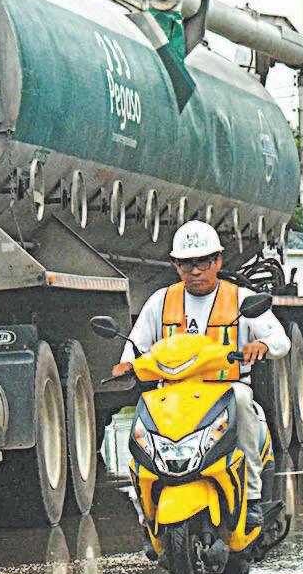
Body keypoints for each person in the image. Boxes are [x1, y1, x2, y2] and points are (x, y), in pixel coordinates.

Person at [113, 220, 289, 537]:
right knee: (141, 421)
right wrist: (126, 365)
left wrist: (261, 345)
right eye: (186, 263)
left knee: (244, 399)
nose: (195, 271)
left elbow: (280, 340)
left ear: (218, 261)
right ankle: (147, 511)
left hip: (225, 391)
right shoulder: (160, 301)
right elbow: (137, 345)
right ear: (176, 265)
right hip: (174, 396)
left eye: (203, 262)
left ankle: (251, 497)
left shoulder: (240, 298)